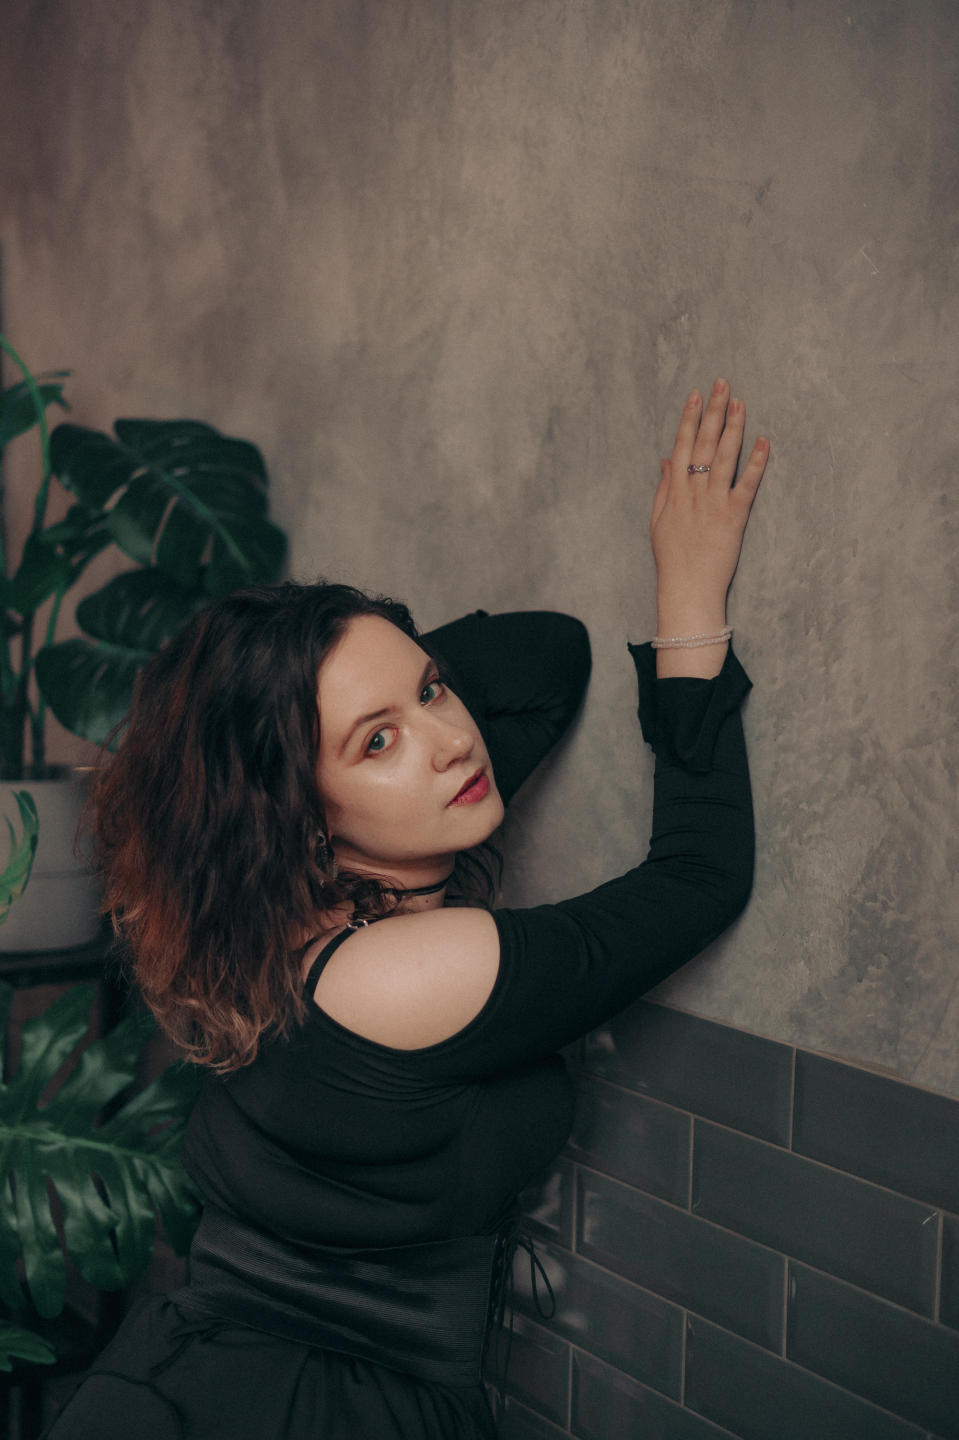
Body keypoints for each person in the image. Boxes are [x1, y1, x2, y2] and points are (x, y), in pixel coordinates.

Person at [45, 380, 767, 1439]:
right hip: (314, 1412)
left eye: (431, 688)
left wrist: (349, 677)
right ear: (295, 815)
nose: (454, 739)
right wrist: (689, 595)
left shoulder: (264, 912)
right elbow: (699, 876)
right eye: (374, 743)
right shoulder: (412, 969)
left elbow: (545, 657)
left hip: (194, 1371)